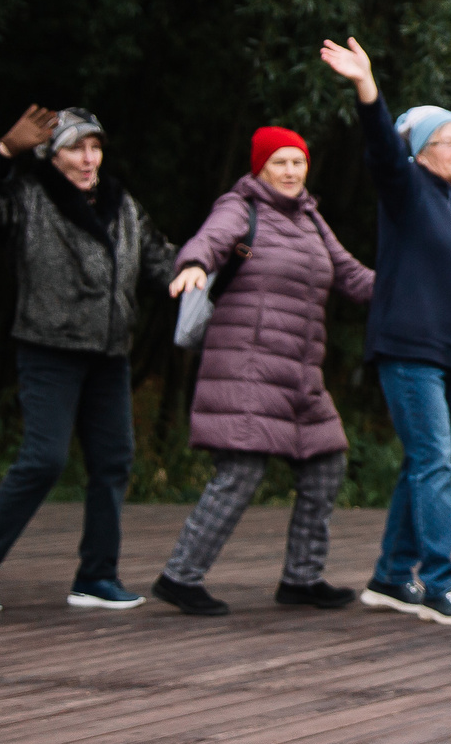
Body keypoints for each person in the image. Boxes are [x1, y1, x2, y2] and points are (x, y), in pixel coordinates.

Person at [0, 106, 175, 614]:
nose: (89, 159)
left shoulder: (123, 205)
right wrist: (5, 151)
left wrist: (228, 258)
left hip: (110, 354)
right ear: (52, 154)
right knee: (44, 459)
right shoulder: (29, 198)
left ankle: (96, 576)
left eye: (95, 148)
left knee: (114, 461)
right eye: (76, 148)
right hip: (49, 349)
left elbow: (164, 263)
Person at [319, 42, 451, 629]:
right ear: (423, 151)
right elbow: (382, 148)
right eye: (448, 140)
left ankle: (389, 576)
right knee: (434, 460)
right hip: (408, 350)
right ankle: (439, 582)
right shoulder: (407, 190)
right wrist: (367, 89)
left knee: (421, 462)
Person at [152, 126, 375, 615]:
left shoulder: (311, 218)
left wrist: (409, 289)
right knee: (241, 471)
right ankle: (180, 577)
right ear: (260, 168)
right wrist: (193, 264)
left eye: (298, 162)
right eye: (280, 162)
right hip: (247, 367)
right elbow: (211, 240)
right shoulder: (241, 207)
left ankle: (302, 578)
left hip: (300, 374)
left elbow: (351, 276)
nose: (291, 172)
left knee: (325, 464)